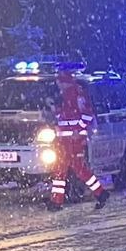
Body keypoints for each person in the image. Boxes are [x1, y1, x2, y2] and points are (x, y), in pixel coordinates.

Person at [49, 72, 107, 211]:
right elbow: (64, 116)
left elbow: (87, 115)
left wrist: (77, 129)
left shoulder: (75, 95)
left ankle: (100, 193)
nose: (58, 85)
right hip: (65, 140)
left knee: (75, 169)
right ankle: (56, 201)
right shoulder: (67, 95)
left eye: (59, 82)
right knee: (64, 169)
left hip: (73, 140)